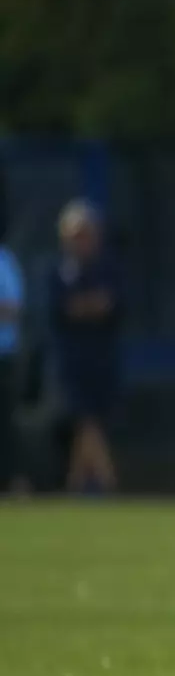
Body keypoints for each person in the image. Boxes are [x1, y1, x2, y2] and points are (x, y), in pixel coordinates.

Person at [49, 200, 122, 494]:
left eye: (87, 234)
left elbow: (112, 305)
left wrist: (82, 306)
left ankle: (76, 485)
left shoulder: (109, 268)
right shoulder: (57, 271)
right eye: (76, 235)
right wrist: (89, 305)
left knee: (91, 421)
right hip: (71, 360)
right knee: (85, 419)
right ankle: (108, 481)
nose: (82, 241)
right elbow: (60, 309)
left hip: (102, 358)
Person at [0, 211, 23, 494]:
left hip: (2, 356)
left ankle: (16, 482)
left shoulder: (3, 261)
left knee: (5, 422)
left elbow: (13, 308)